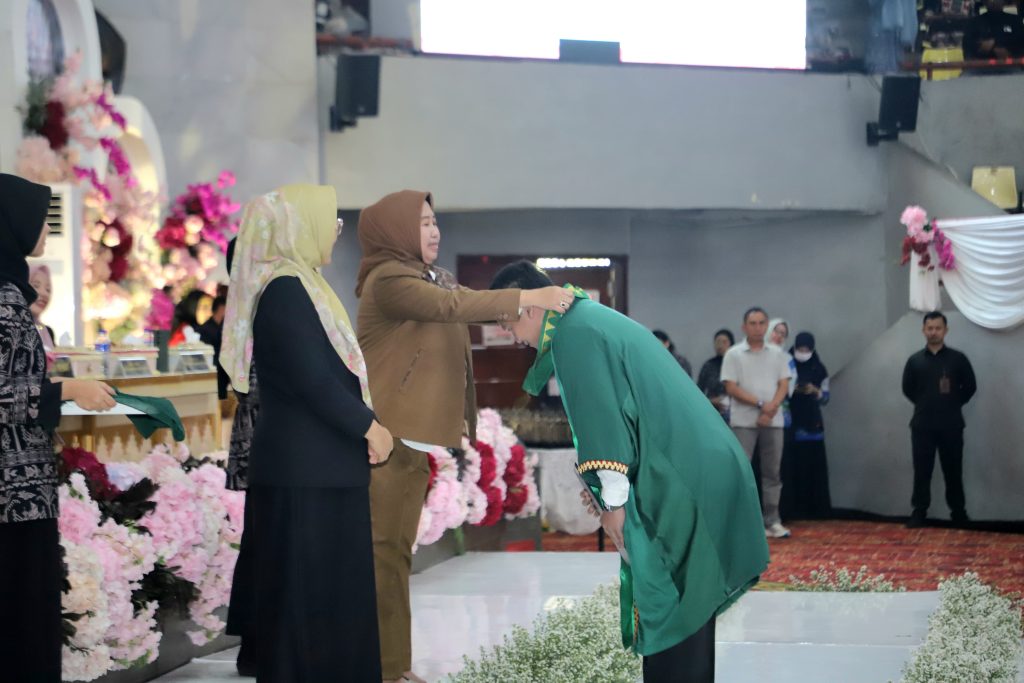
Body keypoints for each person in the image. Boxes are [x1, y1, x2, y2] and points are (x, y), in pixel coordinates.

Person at [489, 260, 768, 683]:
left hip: (680, 474)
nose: (510, 336)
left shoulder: (572, 334)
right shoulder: (584, 317)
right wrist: (607, 491)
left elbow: (600, 421)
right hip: (694, 463)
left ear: (528, 308)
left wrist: (614, 504)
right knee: (688, 599)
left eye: (506, 324)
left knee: (673, 598)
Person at [355, 190, 571, 683]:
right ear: (396, 230)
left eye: (435, 222)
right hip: (387, 440)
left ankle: (393, 666)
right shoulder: (389, 280)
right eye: (423, 223)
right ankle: (385, 668)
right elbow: (452, 306)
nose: (434, 231)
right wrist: (530, 297)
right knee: (384, 556)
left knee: (393, 556)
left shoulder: (427, 276)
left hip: (409, 442)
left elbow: (460, 302)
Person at [221, 184, 394, 681]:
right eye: (331, 222)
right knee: (306, 609)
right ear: (300, 227)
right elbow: (310, 378)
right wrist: (368, 426)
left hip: (321, 467)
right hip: (305, 471)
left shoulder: (303, 283)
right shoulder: (284, 290)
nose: (337, 232)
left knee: (328, 602)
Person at [1, 173, 116, 682]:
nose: (45, 229)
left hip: (18, 486)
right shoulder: (5, 300)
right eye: (39, 217)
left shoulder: (10, 290)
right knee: (21, 614)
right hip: (13, 490)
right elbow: (6, 394)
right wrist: (69, 389)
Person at [221, 239, 260, 677]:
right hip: (267, 437)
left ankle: (255, 645)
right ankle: (257, 644)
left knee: (260, 543)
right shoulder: (256, 307)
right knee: (264, 544)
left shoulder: (245, 307)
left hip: (263, 438)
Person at [721, 307, 794, 539]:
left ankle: (772, 520)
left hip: (773, 420)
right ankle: (743, 523)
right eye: (753, 323)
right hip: (744, 421)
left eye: (762, 323)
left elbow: (784, 384)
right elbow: (731, 387)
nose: (758, 327)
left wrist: (771, 408)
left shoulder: (777, 354)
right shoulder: (734, 354)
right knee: (742, 473)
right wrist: (762, 404)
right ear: (744, 327)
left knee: (772, 473)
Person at [901, 311, 976, 528]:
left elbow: (970, 387)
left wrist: (952, 403)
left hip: (951, 424)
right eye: (930, 328)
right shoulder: (914, 361)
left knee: (953, 470)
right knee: (922, 471)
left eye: (938, 328)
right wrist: (926, 403)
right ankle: (919, 511)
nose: (934, 332)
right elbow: (907, 389)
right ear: (923, 330)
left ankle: (958, 512)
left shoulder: (958, 359)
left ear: (946, 330)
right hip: (922, 425)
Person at [779, 332, 832, 521]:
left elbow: (825, 397)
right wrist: (791, 389)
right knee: (792, 467)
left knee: (813, 467)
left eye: (806, 349)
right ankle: (794, 509)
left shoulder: (819, 368)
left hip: (812, 424)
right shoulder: (786, 364)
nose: (803, 352)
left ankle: (815, 509)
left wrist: (815, 390)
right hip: (791, 423)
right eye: (800, 349)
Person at [696, 329, 734, 419]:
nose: (720, 346)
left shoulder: (737, 364)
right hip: (712, 412)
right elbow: (698, 391)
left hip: (736, 412)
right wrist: (711, 401)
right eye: (717, 342)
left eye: (724, 342)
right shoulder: (709, 365)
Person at [197, 294, 228, 399]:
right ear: (221, 309)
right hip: (212, 373)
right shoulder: (205, 329)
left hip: (222, 373)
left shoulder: (223, 328)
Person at [29, 263, 57, 369]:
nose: (44, 293)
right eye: (36, 286)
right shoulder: (9, 330)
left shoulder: (48, 332)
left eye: (48, 289)